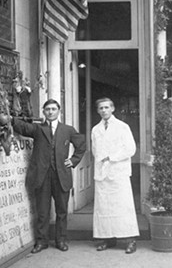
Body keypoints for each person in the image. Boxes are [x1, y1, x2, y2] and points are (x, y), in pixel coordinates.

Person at [12, 99, 86, 253]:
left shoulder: (68, 130)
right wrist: (9, 118)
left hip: (61, 176)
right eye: (47, 109)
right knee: (43, 211)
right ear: (44, 112)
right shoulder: (38, 129)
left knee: (62, 211)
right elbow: (22, 127)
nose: (50, 112)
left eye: (53, 109)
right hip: (42, 176)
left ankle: (61, 240)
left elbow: (81, 145)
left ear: (59, 111)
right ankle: (41, 242)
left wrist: (73, 161)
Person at [92, 98, 139, 254]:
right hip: (102, 173)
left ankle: (130, 240)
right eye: (101, 108)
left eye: (107, 107)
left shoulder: (122, 127)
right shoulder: (95, 130)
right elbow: (95, 151)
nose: (104, 110)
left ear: (112, 109)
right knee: (104, 207)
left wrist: (112, 157)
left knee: (123, 207)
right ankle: (107, 238)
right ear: (98, 111)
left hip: (118, 172)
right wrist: (102, 161)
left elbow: (130, 149)